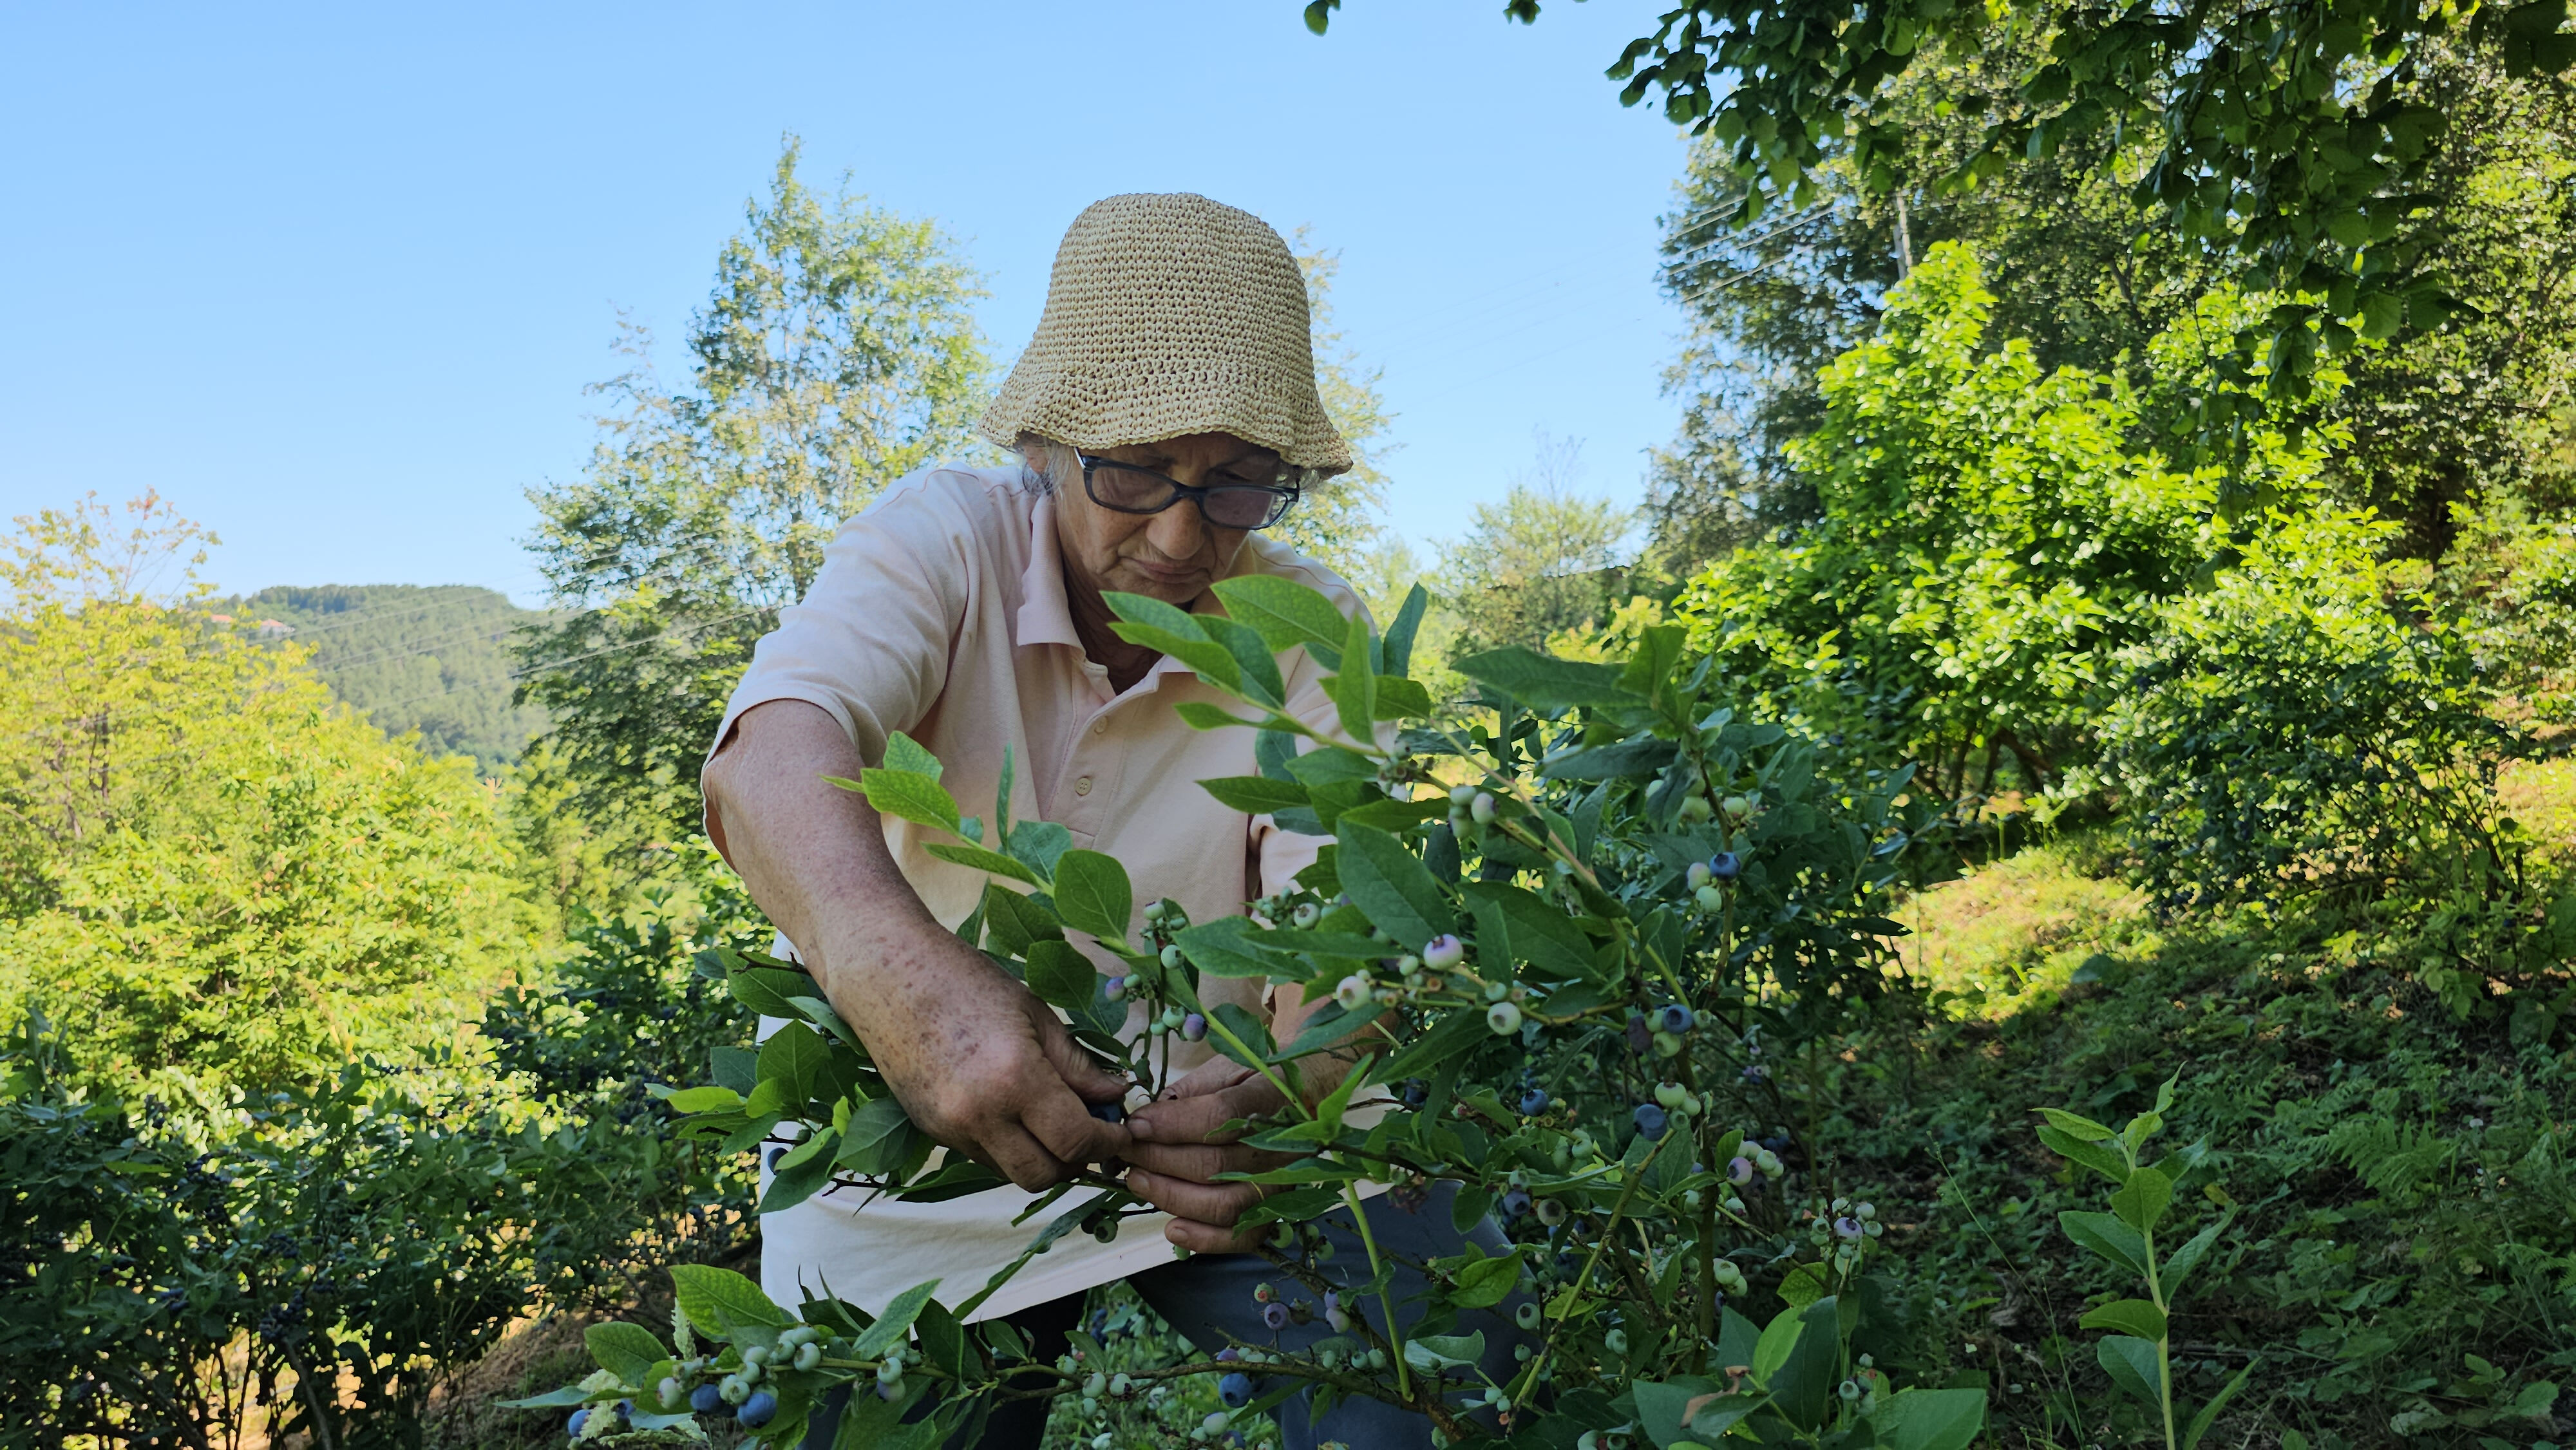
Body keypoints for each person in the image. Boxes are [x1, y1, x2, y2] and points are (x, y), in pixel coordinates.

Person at [699, 193, 1524, 1450]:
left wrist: (1299, 1086)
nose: (1184, 534)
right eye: (1135, 469)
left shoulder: (1305, 631)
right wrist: (905, 986)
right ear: (1044, 442)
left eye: (1241, 482)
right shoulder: (939, 546)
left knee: (1432, 1384)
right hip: (919, 1151)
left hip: (1219, 1154)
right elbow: (769, 756)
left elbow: (1344, 914)